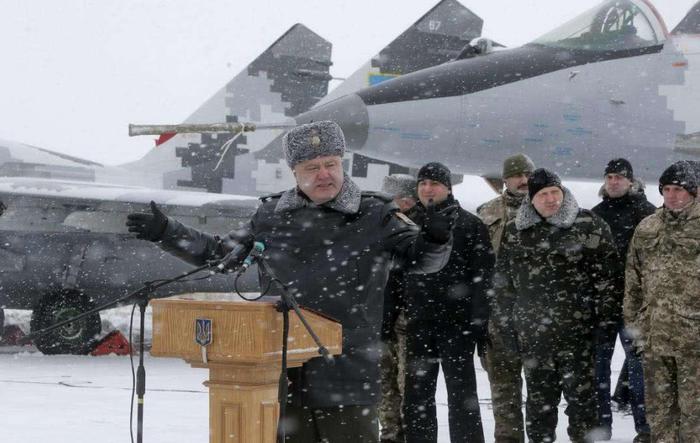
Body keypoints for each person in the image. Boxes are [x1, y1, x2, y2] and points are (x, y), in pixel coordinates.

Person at [126, 121, 456, 443]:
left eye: (331, 164)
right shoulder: (271, 215)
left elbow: (423, 261)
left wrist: (437, 237)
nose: (324, 174)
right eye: (312, 167)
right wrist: (167, 232)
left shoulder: (374, 214)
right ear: (294, 172)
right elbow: (222, 255)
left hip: (347, 377)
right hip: (278, 375)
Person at [493, 168, 620, 443]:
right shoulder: (515, 231)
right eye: (543, 194)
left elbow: (609, 280)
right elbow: (503, 286)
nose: (551, 199)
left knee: (584, 412)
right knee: (539, 413)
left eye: (555, 192)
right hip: (534, 340)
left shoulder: (589, 224)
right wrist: (507, 329)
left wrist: (605, 324)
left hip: (579, 338)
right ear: (531, 198)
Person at [402, 162, 494, 443]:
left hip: (457, 325)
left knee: (462, 394)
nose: (428, 189)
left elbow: (484, 276)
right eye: (422, 184)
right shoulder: (407, 224)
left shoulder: (469, 224)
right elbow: (395, 275)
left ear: (448, 188)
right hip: (418, 323)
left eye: (434, 184)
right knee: (417, 395)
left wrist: (479, 321)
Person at [625, 161, 700, 442]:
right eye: (666, 189)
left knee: (695, 417)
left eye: (679, 189)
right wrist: (635, 326)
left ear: (695, 192)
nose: (672, 195)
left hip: (694, 343)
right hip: (655, 341)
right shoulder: (648, 227)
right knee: (659, 415)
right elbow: (633, 282)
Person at [591, 158, 655, 442]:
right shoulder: (594, 216)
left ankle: (644, 429)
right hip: (602, 306)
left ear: (631, 181)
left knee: (640, 370)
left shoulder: (648, 215)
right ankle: (600, 430)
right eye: (610, 177)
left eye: (619, 177)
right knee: (598, 371)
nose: (614, 182)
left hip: (636, 306)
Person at [477, 153, 535, 443]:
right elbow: (474, 264)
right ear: (505, 179)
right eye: (516, 175)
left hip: (537, 318)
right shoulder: (486, 212)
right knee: (503, 392)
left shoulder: (547, 207)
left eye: (527, 175)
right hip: (497, 318)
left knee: (541, 393)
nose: (523, 181)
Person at [379, 174, 418, 443]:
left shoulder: (418, 229)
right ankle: (390, 434)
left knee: (408, 385)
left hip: (408, 319)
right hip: (382, 318)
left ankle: (407, 433)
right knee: (385, 385)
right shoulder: (380, 227)